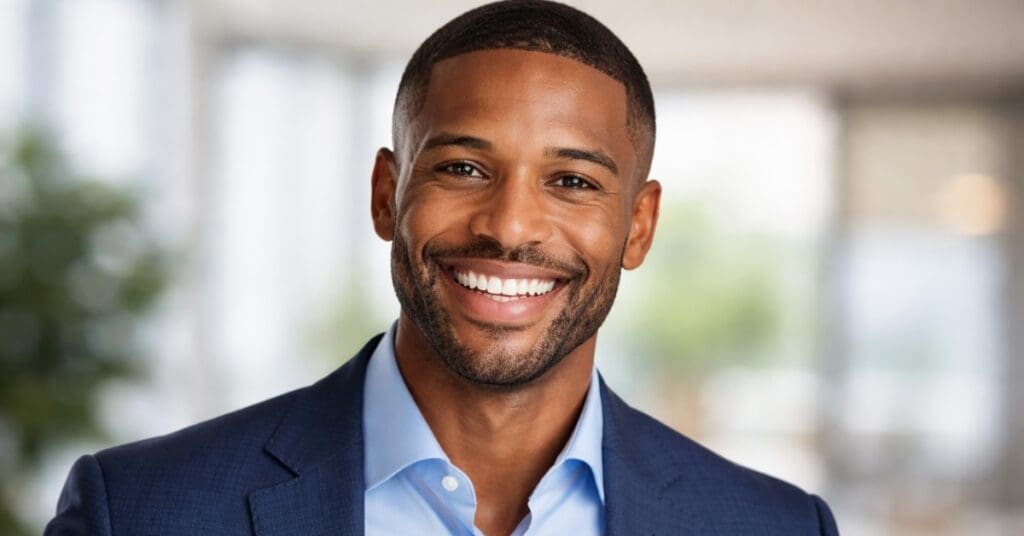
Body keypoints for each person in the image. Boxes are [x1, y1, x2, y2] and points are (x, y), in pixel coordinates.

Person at [46, 1, 839, 534]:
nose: (510, 227)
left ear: (639, 227)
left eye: (571, 181)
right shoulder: (140, 512)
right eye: (462, 168)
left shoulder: (773, 527)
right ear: (386, 196)